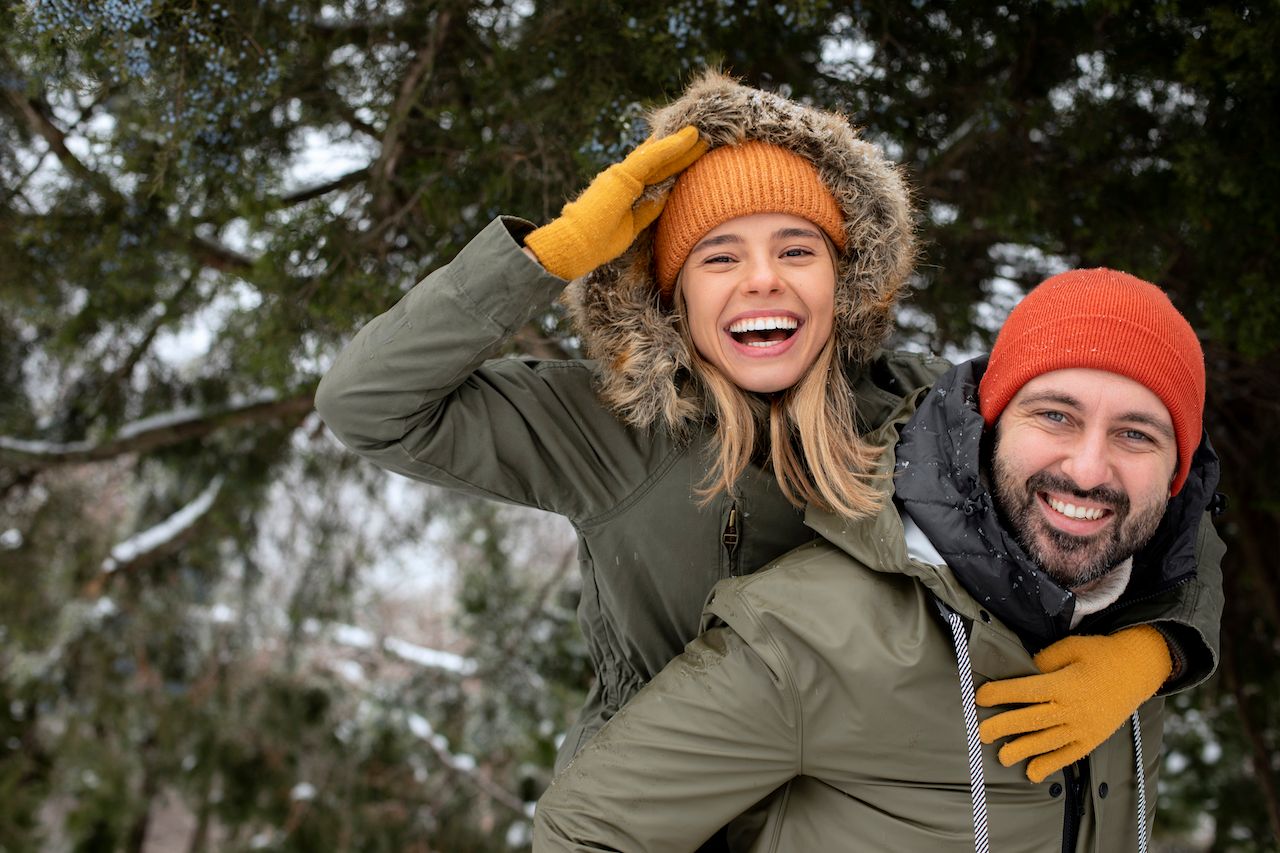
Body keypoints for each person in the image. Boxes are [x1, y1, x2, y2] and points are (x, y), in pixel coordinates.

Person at [315, 69, 1218, 791]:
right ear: (673, 290)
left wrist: (1154, 648)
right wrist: (547, 257)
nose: (763, 281)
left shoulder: (916, 417)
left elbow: (1120, 490)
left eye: (797, 249)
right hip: (656, 818)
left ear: (843, 277)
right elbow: (365, 405)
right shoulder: (605, 429)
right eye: (720, 256)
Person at [532, 268, 1226, 853]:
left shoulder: (1131, 623)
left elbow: (1195, 545)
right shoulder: (812, 634)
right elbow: (585, 831)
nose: (1087, 466)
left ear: (1175, 473)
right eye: (1054, 415)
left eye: (1137, 433)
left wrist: (1157, 652)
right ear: (989, 423)